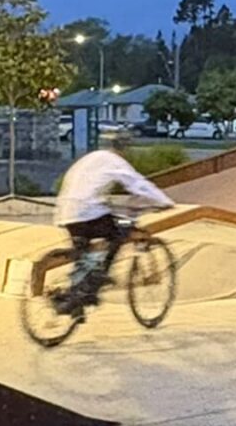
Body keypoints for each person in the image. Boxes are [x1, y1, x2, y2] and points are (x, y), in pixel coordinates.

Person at [50, 129, 174, 310]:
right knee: (120, 231)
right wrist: (164, 201)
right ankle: (100, 276)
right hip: (88, 211)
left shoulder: (89, 158)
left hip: (66, 212)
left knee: (83, 254)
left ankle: (78, 295)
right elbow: (138, 184)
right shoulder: (115, 161)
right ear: (122, 147)